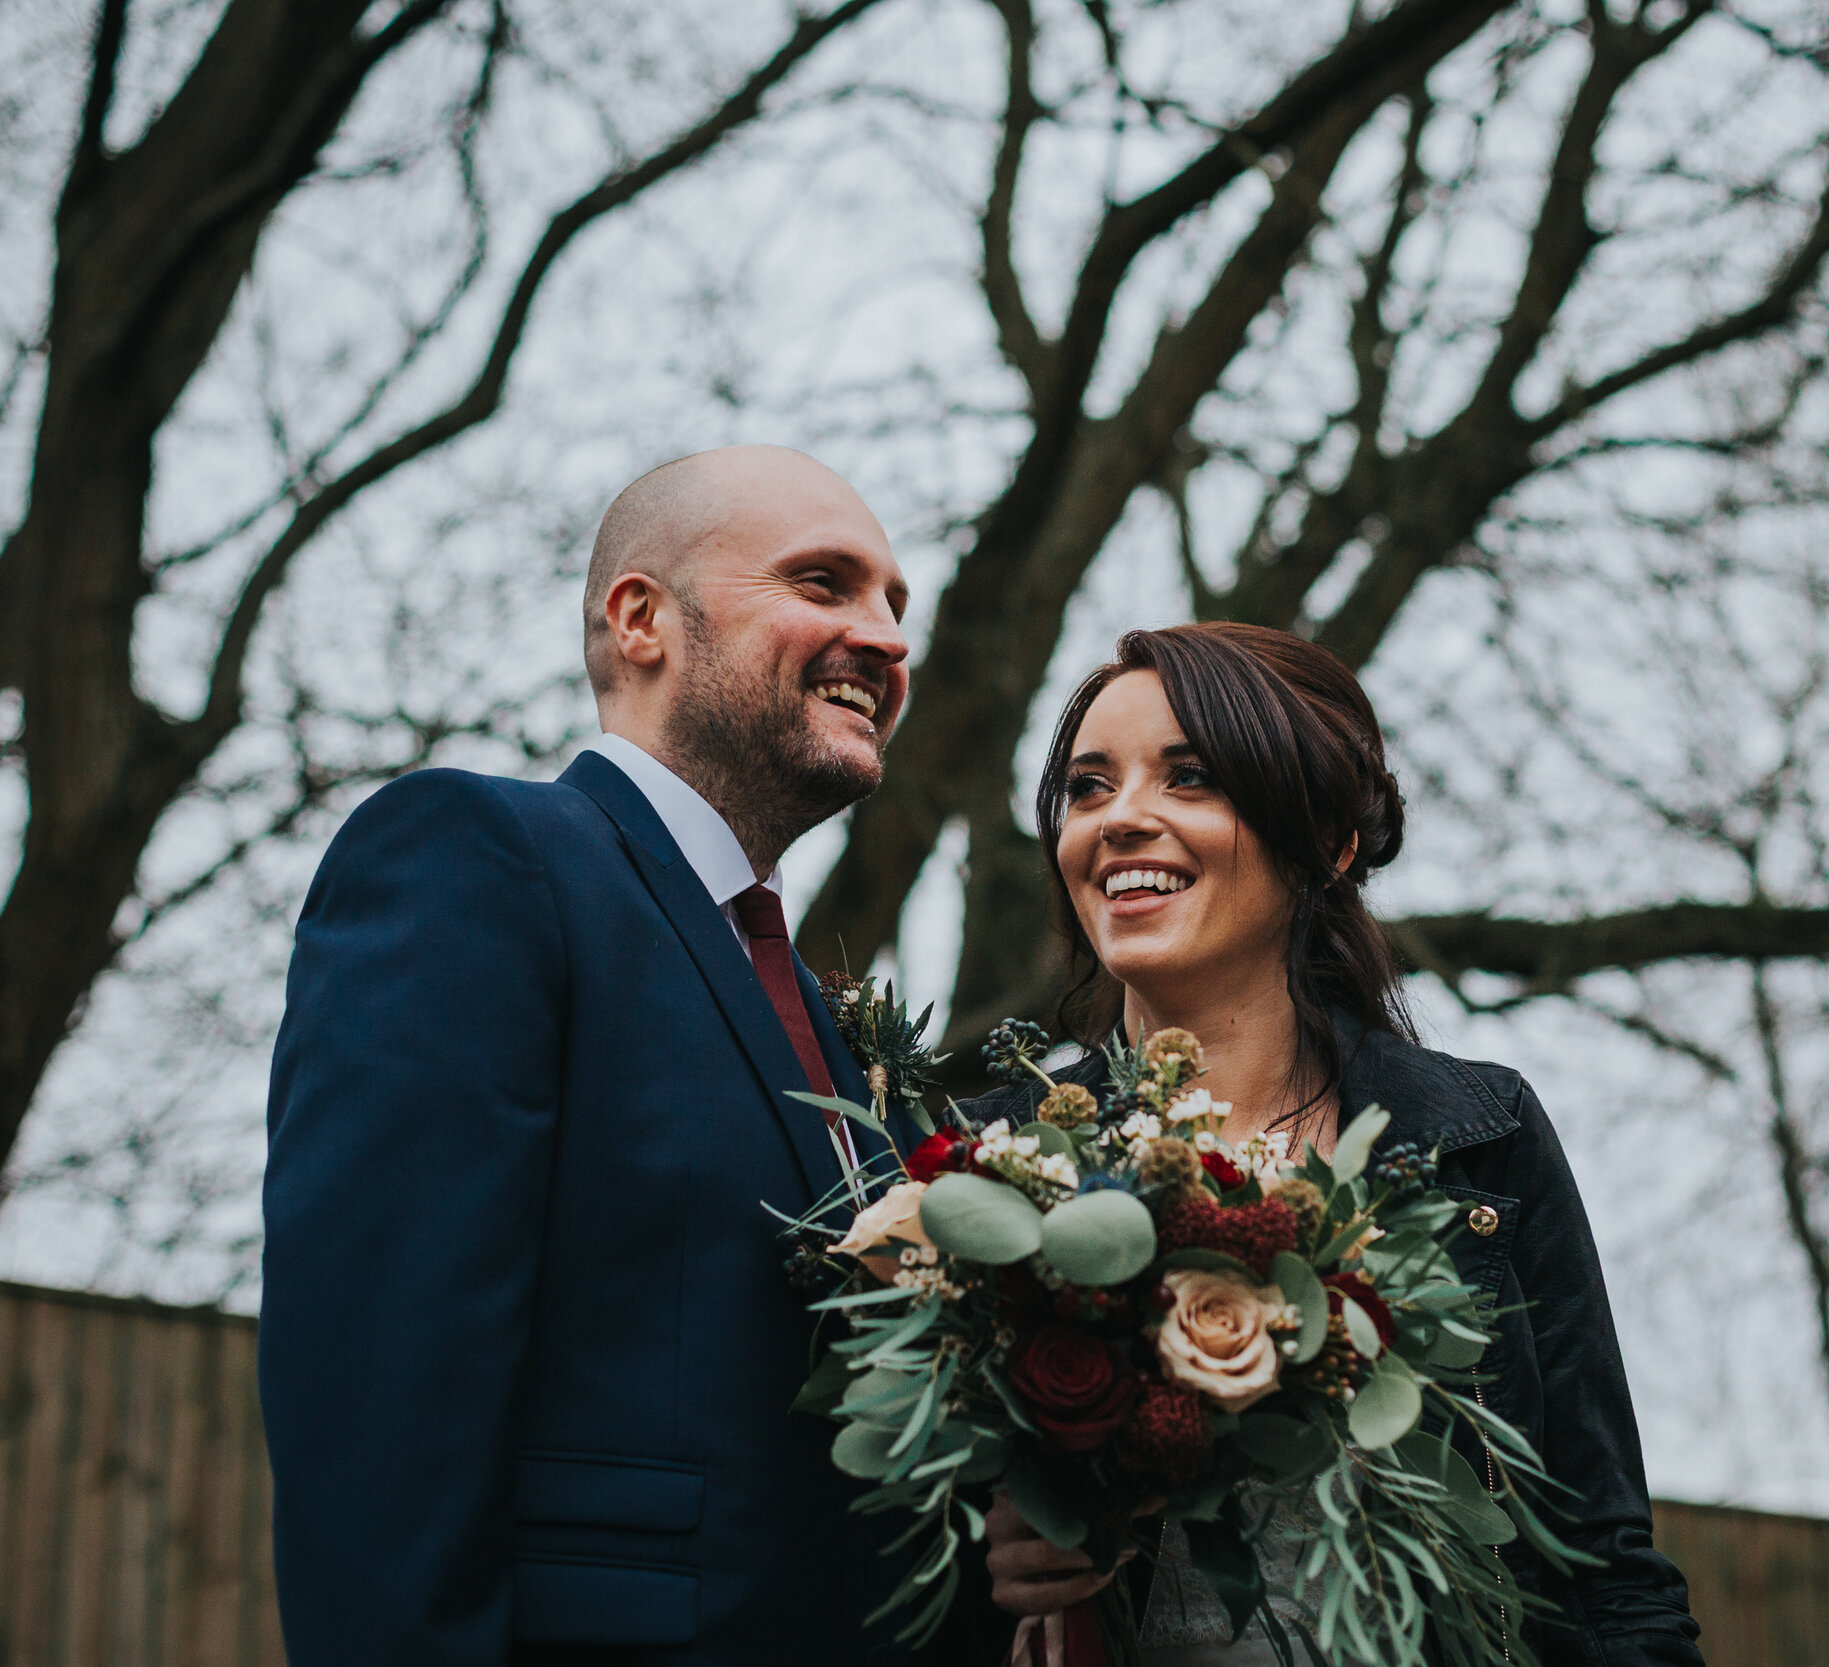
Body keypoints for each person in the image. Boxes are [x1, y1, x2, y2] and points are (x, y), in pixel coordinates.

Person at [260, 446, 913, 1664]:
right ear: (642, 617)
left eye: (894, 604)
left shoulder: (820, 1020)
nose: (882, 636)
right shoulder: (479, 858)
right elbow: (378, 1391)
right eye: (824, 583)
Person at [969, 623, 1708, 1666]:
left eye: (1190, 778)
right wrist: (983, 1565)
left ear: (1327, 837)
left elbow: (1603, 1563)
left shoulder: (1478, 1141)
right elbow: (862, 1564)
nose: (1123, 817)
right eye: (1089, 787)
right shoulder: (983, 1164)